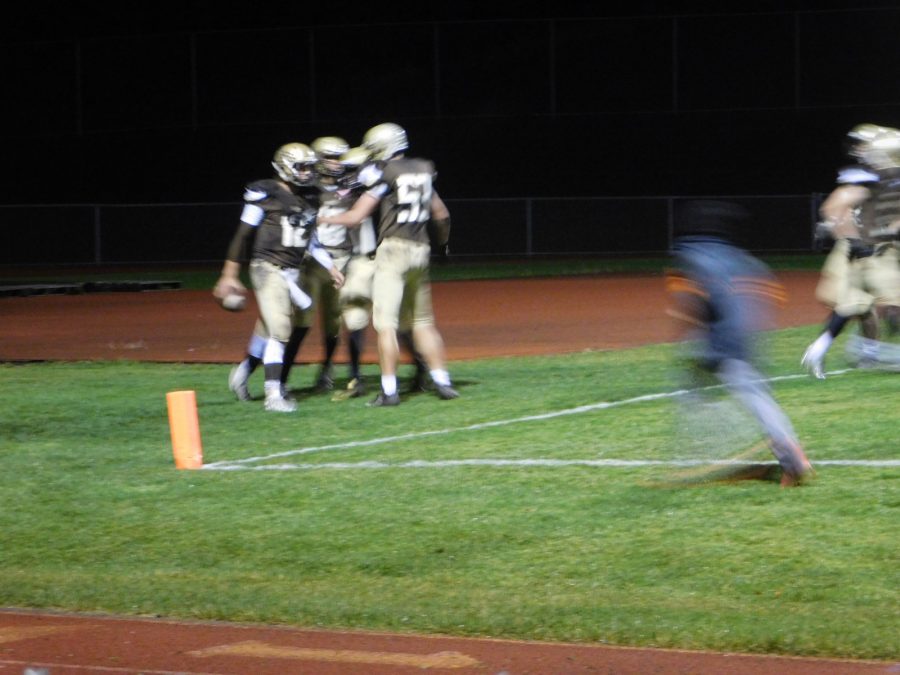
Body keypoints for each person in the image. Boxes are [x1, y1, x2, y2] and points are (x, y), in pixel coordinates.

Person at [667, 200, 813, 487]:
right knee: (751, 393)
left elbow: (691, 302)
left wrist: (690, 331)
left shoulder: (691, 254)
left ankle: (784, 453)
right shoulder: (742, 258)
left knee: (695, 395)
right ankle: (785, 451)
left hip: (716, 336)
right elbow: (770, 295)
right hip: (747, 336)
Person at [316, 122, 458, 407]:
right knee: (423, 322)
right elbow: (441, 214)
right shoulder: (422, 168)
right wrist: (443, 246)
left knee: (386, 326)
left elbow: (356, 217)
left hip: (393, 251)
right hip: (421, 249)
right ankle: (443, 382)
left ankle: (389, 390)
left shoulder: (384, 173)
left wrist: (323, 219)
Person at [214, 142, 344, 412]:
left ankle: (243, 373)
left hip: (292, 272)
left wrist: (331, 267)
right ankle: (274, 395)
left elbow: (311, 242)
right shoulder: (266, 192)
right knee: (282, 329)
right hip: (267, 267)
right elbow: (242, 234)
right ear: (285, 166)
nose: (307, 172)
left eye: (310, 167)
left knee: (268, 327)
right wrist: (229, 274)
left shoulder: (308, 198)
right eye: (302, 167)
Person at [801, 124, 900, 378]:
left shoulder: (887, 175)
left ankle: (866, 350)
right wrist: (850, 237)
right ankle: (867, 349)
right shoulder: (865, 174)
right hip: (861, 247)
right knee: (856, 303)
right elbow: (835, 207)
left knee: (867, 303)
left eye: (865, 145)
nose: (862, 151)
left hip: (881, 246)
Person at [334, 145, 430, 399]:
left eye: (352, 171)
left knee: (397, 324)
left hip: (384, 261)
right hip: (360, 264)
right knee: (355, 321)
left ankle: (420, 370)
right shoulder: (354, 191)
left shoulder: (383, 188)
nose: (348, 176)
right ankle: (356, 377)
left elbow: (364, 214)